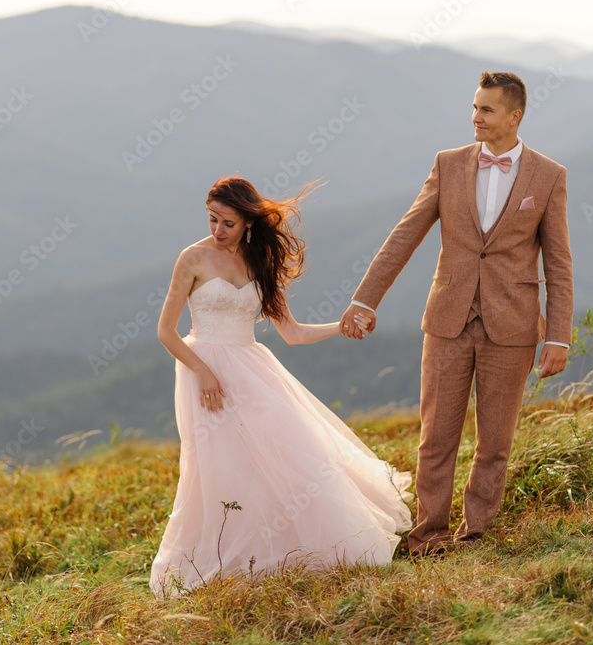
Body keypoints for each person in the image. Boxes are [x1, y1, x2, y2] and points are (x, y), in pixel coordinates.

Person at [340, 71, 574, 557]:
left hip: (512, 327)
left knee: (495, 443)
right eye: (473, 107)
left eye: (486, 110)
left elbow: (558, 262)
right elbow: (405, 235)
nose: (475, 117)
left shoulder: (550, 176)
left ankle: (476, 535)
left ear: (515, 116)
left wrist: (558, 335)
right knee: (436, 437)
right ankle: (429, 536)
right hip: (447, 319)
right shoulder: (447, 165)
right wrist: (365, 299)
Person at [149, 176, 412, 596]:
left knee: (281, 455)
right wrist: (203, 372)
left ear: (248, 224)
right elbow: (166, 332)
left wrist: (341, 326)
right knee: (217, 466)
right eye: (212, 219)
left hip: (252, 370)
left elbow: (292, 333)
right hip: (203, 373)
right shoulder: (192, 258)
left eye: (228, 223)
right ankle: (219, 556)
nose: (218, 230)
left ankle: (279, 550)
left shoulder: (260, 264)